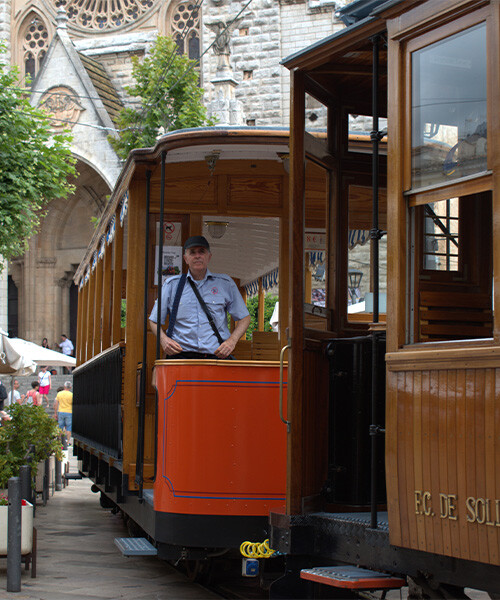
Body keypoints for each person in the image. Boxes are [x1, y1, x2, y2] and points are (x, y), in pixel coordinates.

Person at [149, 235, 250, 359]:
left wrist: (232, 341)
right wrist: (163, 340)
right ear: (186, 258)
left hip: (216, 358)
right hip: (181, 358)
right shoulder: (171, 285)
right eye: (192, 252)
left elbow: (244, 318)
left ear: (209, 257)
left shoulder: (225, 284)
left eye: (201, 252)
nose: (197, 256)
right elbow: (154, 321)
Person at [54, 381, 73, 445]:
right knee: (68, 427)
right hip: (69, 412)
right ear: (70, 387)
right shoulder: (71, 395)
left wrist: (55, 413)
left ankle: (59, 441)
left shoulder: (59, 393)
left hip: (61, 411)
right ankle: (67, 442)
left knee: (60, 427)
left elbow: (56, 403)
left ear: (64, 386)